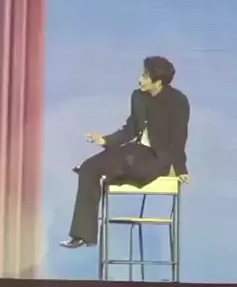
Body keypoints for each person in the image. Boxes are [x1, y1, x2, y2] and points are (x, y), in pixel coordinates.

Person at [60, 56, 190, 249]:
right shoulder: (138, 96)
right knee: (89, 168)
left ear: (158, 82)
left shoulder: (178, 101)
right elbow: (130, 129)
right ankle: (82, 235)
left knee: (124, 163)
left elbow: (180, 138)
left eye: (145, 76)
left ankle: (109, 172)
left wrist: (180, 169)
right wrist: (105, 140)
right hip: (134, 152)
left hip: (157, 159)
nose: (140, 79)